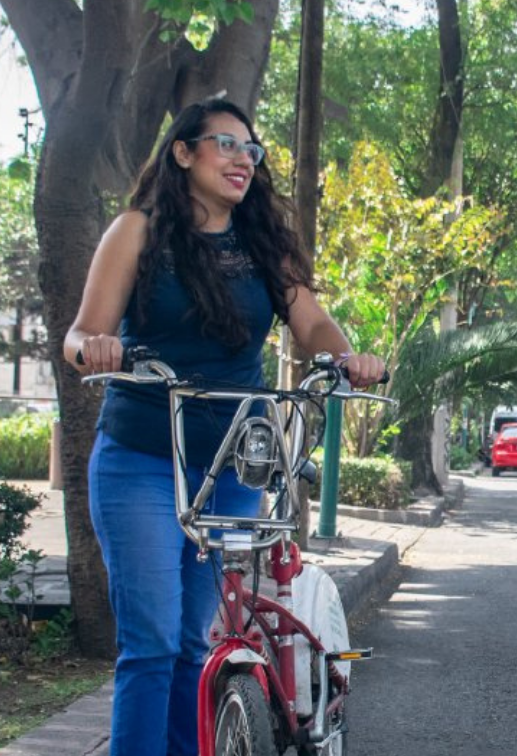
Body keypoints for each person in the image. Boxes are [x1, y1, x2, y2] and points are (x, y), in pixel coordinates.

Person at [63, 98, 384, 756]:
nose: (243, 160)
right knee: (151, 642)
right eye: (226, 145)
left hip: (237, 465)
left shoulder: (262, 243)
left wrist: (345, 356)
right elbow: (81, 332)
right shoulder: (137, 231)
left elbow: (313, 324)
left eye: (251, 150)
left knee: (192, 643)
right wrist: (94, 348)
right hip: (143, 459)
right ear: (183, 152)